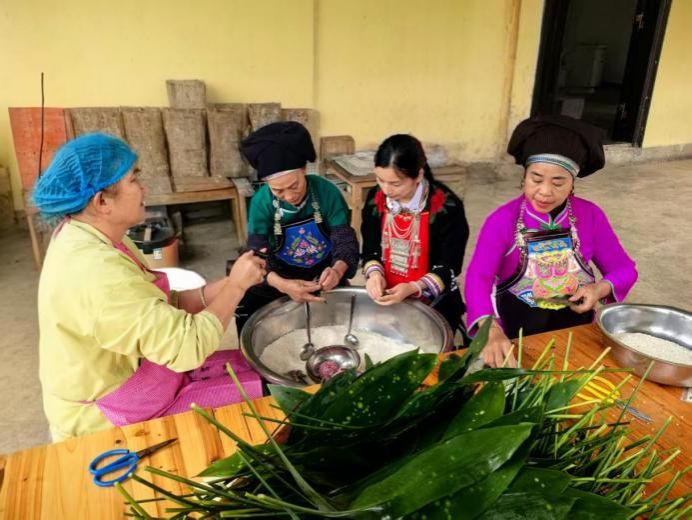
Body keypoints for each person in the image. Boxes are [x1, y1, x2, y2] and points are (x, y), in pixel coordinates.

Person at [32, 133, 267, 440]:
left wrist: (235, 279)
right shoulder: (97, 273)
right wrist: (236, 287)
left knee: (252, 368)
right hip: (105, 417)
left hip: (137, 375)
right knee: (260, 401)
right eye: (134, 179)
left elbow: (163, 303)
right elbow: (188, 347)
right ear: (102, 202)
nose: (143, 188)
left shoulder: (96, 235)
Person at [464, 115, 638, 367]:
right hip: (514, 338)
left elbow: (624, 269)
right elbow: (478, 278)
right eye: (536, 179)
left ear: (572, 183)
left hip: (575, 335)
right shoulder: (502, 220)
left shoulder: (590, 215)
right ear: (524, 177)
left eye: (558, 182)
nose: (545, 192)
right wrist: (489, 328)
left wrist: (598, 290)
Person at [235, 121, 359, 333]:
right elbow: (255, 256)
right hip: (278, 275)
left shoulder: (326, 192)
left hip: (323, 275)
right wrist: (282, 285)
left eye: (294, 186)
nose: (290, 196)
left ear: (304, 169)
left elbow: (344, 239)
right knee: (256, 321)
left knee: (335, 326)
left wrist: (338, 271)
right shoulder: (261, 202)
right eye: (278, 191)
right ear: (266, 183)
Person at [361, 134, 469, 334]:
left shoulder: (447, 207)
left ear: (418, 175)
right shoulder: (375, 199)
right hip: (386, 299)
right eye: (380, 180)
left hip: (432, 302)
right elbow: (370, 248)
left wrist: (413, 287)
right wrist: (374, 274)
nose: (386, 190)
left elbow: (450, 265)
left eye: (395, 184)